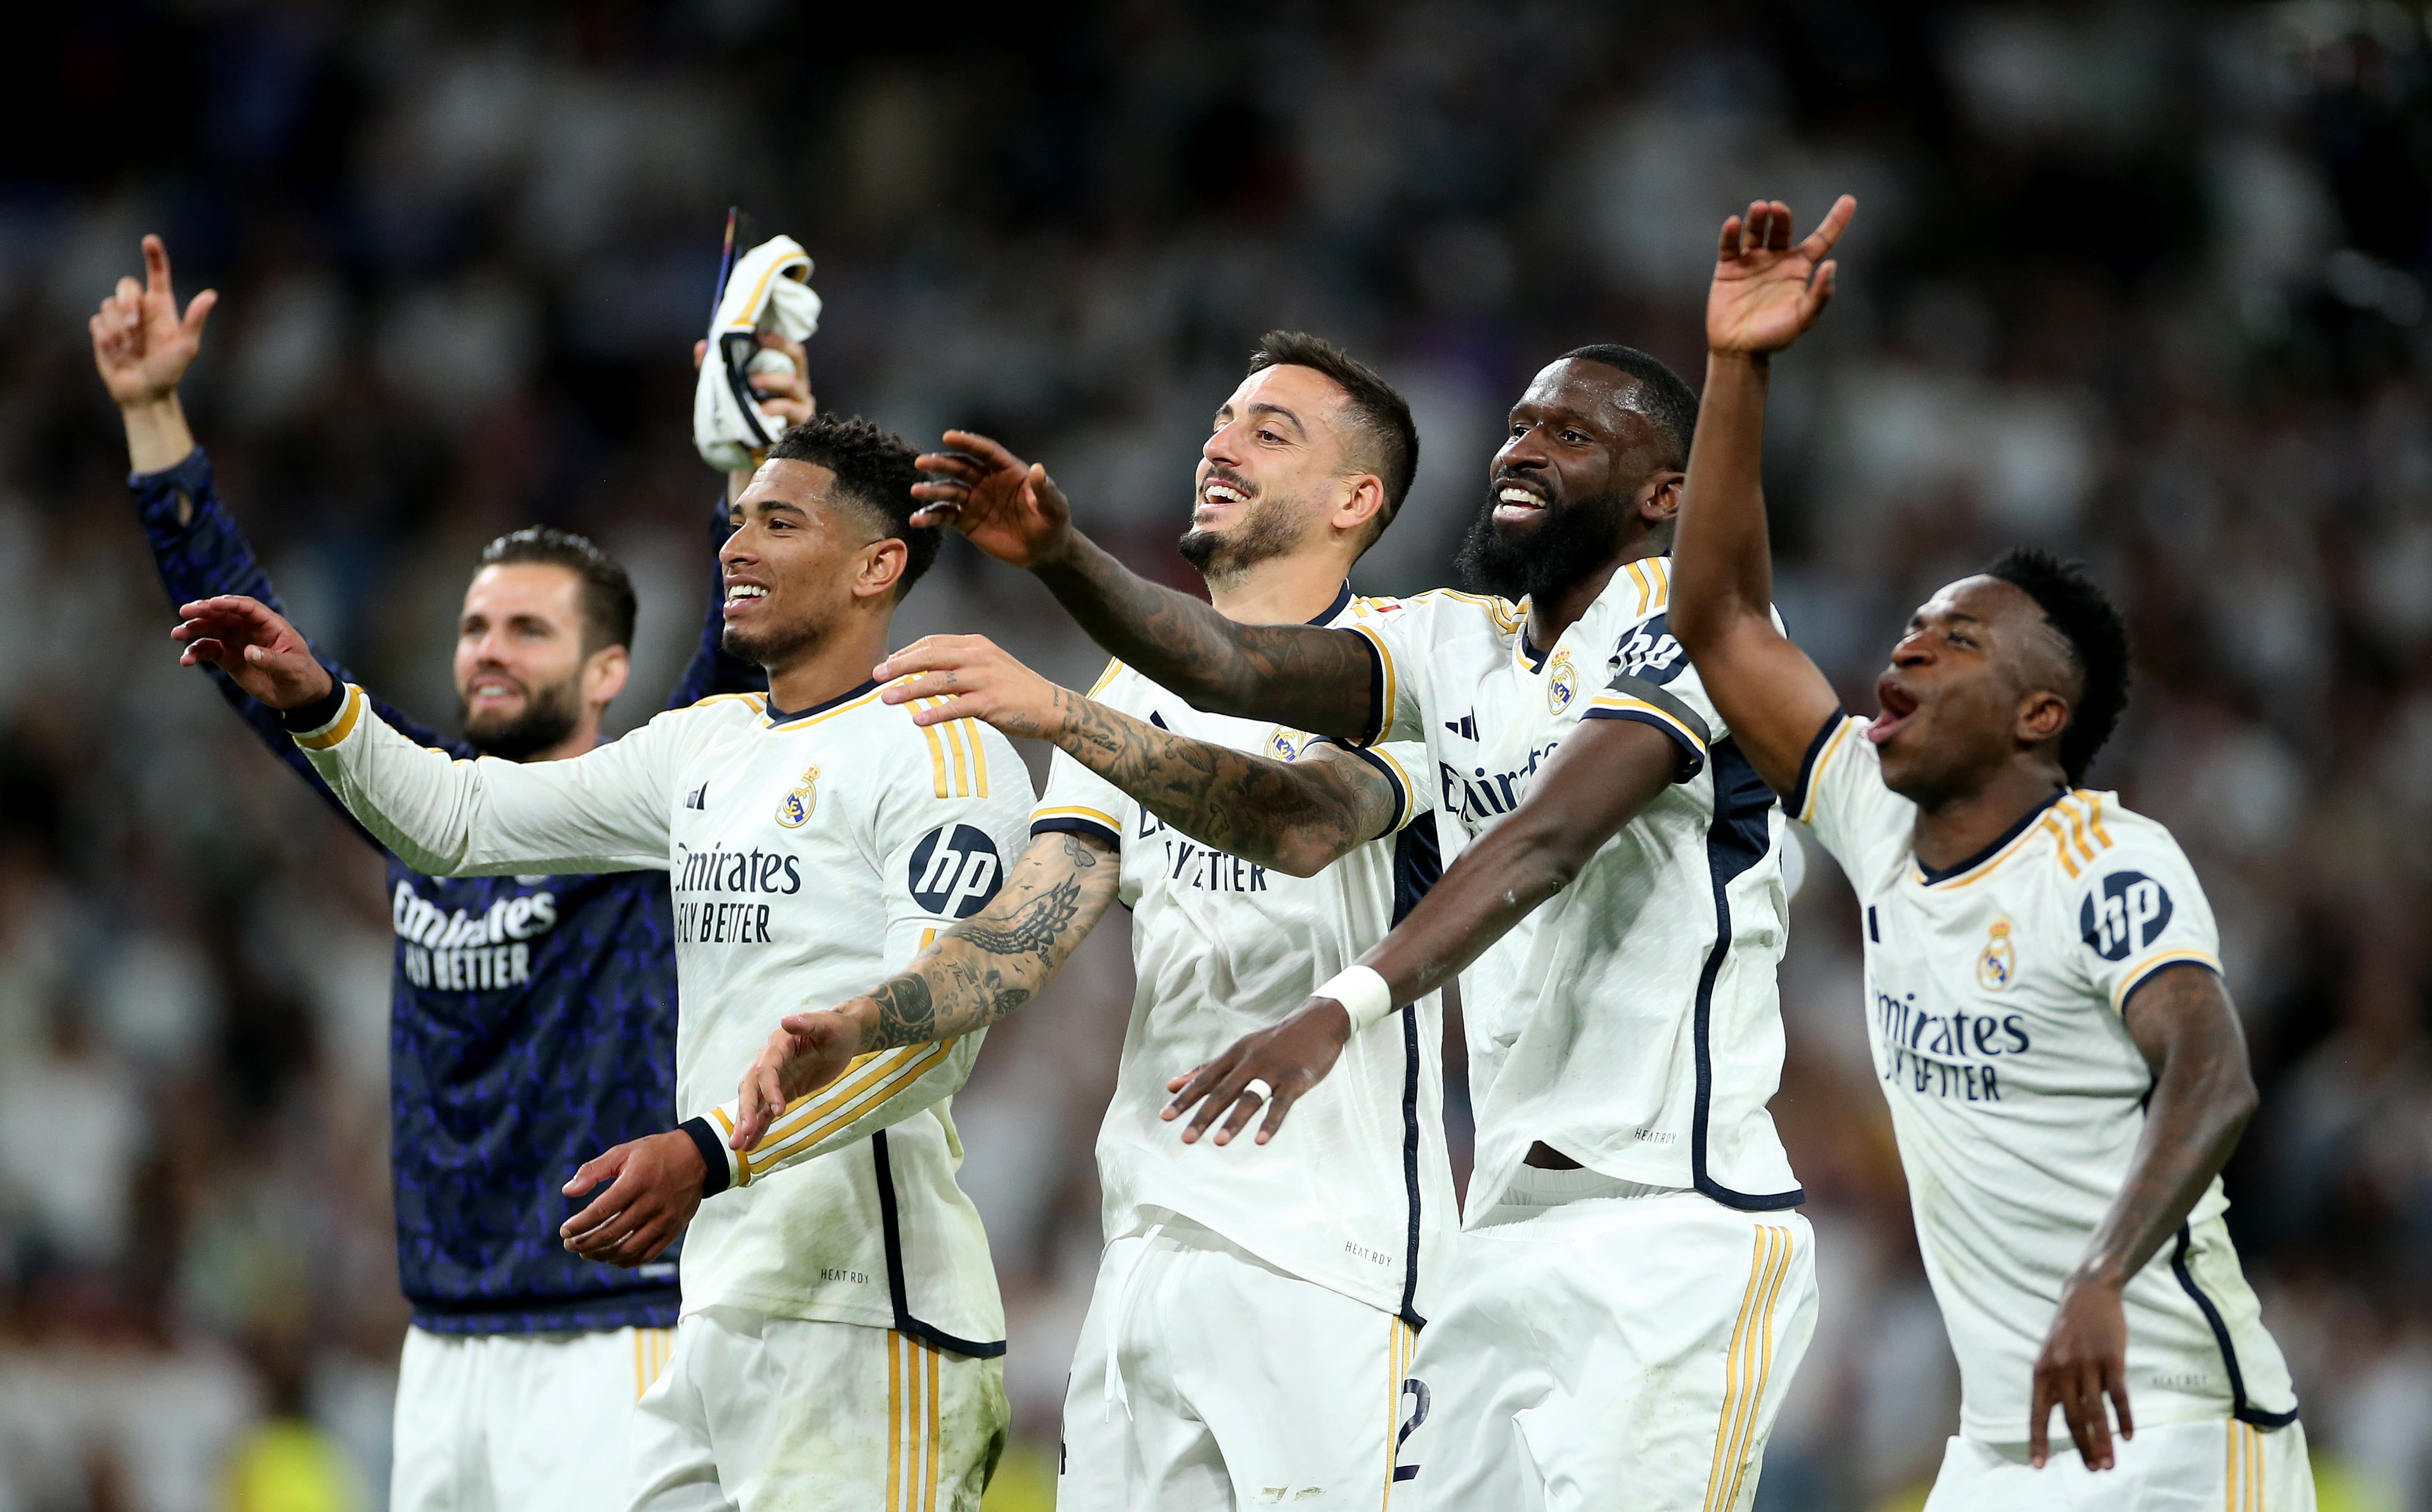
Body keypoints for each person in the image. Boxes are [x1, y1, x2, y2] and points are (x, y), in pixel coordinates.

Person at [856, 332, 1822, 1507]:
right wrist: (1061, 558)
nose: (1519, 446)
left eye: (1568, 433)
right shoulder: (1454, 649)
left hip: (1638, 1222)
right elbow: (1232, 674)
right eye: (1516, 423)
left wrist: (1332, 1008)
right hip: (1484, 1221)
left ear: (1663, 494)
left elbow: (1458, 831)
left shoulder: (1683, 621)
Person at [162, 416, 1033, 1511]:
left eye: (778, 520)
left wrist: (706, 1150)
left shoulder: (946, 751)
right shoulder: (705, 746)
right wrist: (322, 708)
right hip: (714, 1308)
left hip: (865, 1319)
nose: (734, 544)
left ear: (879, 565)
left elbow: (933, 1033)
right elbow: (463, 821)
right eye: (738, 519)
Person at [91, 234, 766, 1512]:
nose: (487, 651)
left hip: (611, 1337)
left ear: (610, 672)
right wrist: (153, 415)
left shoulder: (652, 799)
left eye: (527, 627)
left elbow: (738, 657)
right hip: (443, 1346)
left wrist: (743, 464)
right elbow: (260, 662)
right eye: (472, 627)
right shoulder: (426, 807)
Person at [730, 332, 1456, 1509]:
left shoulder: (1415, 670)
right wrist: (858, 1021)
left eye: (1271, 431)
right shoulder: (1135, 692)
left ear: (1354, 498)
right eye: (1221, 419)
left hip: (1336, 1266)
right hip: (1144, 1250)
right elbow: (1024, 934)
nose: (1219, 442)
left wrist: (1060, 712)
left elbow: (1296, 824)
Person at [1663, 197, 2311, 1507]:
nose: (1904, 648)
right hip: (1999, 1447)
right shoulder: (1873, 817)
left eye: (1956, 640)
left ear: (2039, 715)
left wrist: (2098, 1276)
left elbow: (2211, 1065)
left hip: (2171, 1420)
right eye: (1909, 626)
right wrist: (1736, 368)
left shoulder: (2105, 861)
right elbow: (1720, 615)